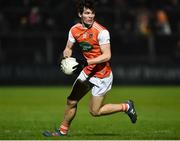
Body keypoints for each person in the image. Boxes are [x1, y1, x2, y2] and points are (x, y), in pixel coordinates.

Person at [43, 0, 137, 137]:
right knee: (71, 101)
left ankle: (126, 106)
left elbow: (107, 55)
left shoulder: (102, 31)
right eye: (87, 13)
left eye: (92, 13)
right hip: (87, 72)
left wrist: (86, 62)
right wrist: (67, 58)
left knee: (95, 112)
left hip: (102, 75)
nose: (90, 16)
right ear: (80, 14)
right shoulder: (74, 30)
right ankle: (62, 131)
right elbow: (68, 48)